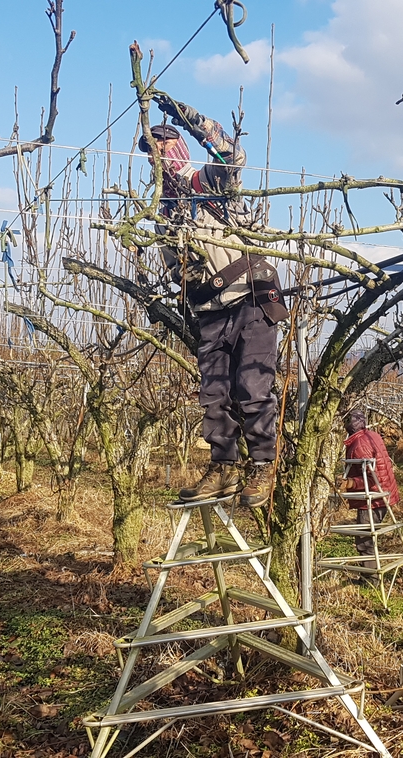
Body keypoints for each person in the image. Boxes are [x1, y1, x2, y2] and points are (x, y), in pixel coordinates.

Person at [140, 91, 287, 509]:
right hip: (209, 311)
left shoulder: (206, 184)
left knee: (252, 387)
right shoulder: (163, 212)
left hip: (251, 298)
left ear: (179, 148)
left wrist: (184, 115)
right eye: (151, 153)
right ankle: (222, 467)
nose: (158, 158)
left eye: (163, 146)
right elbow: (178, 271)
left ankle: (262, 464)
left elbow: (231, 154)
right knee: (213, 393)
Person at [340, 409, 400, 561]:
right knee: (367, 537)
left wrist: (350, 483)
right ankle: (369, 577)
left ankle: (369, 579)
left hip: (373, 499)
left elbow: (372, 478)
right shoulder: (370, 435)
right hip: (383, 494)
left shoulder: (359, 445)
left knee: (365, 540)